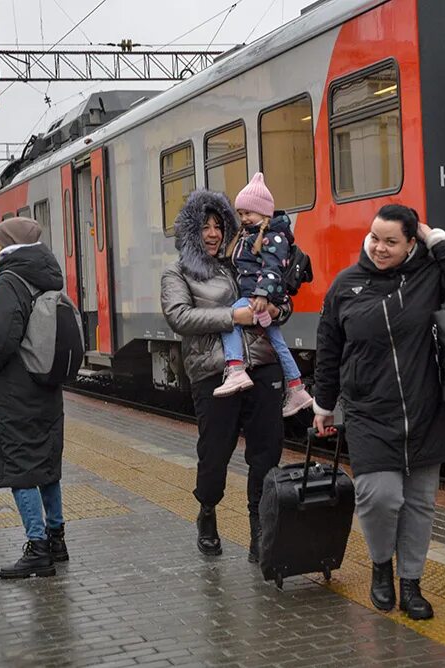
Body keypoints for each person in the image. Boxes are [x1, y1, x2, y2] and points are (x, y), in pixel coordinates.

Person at [313, 204, 445, 620]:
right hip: (369, 411)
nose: (379, 248)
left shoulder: (428, 277)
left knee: (420, 503)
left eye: (391, 241)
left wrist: (429, 232)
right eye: (374, 238)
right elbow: (329, 348)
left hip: (426, 409)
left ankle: (412, 584)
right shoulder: (346, 285)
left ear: (410, 245)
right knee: (380, 497)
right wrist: (324, 404)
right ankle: (380, 565)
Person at [161, 189, 289, 562]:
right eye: (205, 226)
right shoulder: (177, 272)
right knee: (215, 454)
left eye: (219, 225)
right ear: (191, 231)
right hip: (214, 373)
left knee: (267, 452)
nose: (214, 233)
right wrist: (233, 317)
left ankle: (259, 531)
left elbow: (277, 293)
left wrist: (278, 310)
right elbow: (179, 317)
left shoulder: (243, 258)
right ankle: (208, 511)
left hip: (262, 365)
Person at [0, 217, 68, 579]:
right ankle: (57, 540)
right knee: (46, 467)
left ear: (7, 245)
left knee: (21, 471)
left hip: (15, 395)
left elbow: (0, 341)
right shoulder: (47, 276)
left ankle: (38, 548)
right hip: (45, 390)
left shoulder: (10, 281)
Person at [212, 172, 314, 417]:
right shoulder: (253, 234)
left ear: (265, 213)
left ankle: (236, 368)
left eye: (249, 213)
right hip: (260, 297)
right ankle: (297, 387)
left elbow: (272, 268)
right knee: (278, 343)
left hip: (256, 297)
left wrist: (262, 295)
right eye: (241, 213)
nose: (244, 218)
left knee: (231, 319)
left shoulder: (272, 237)